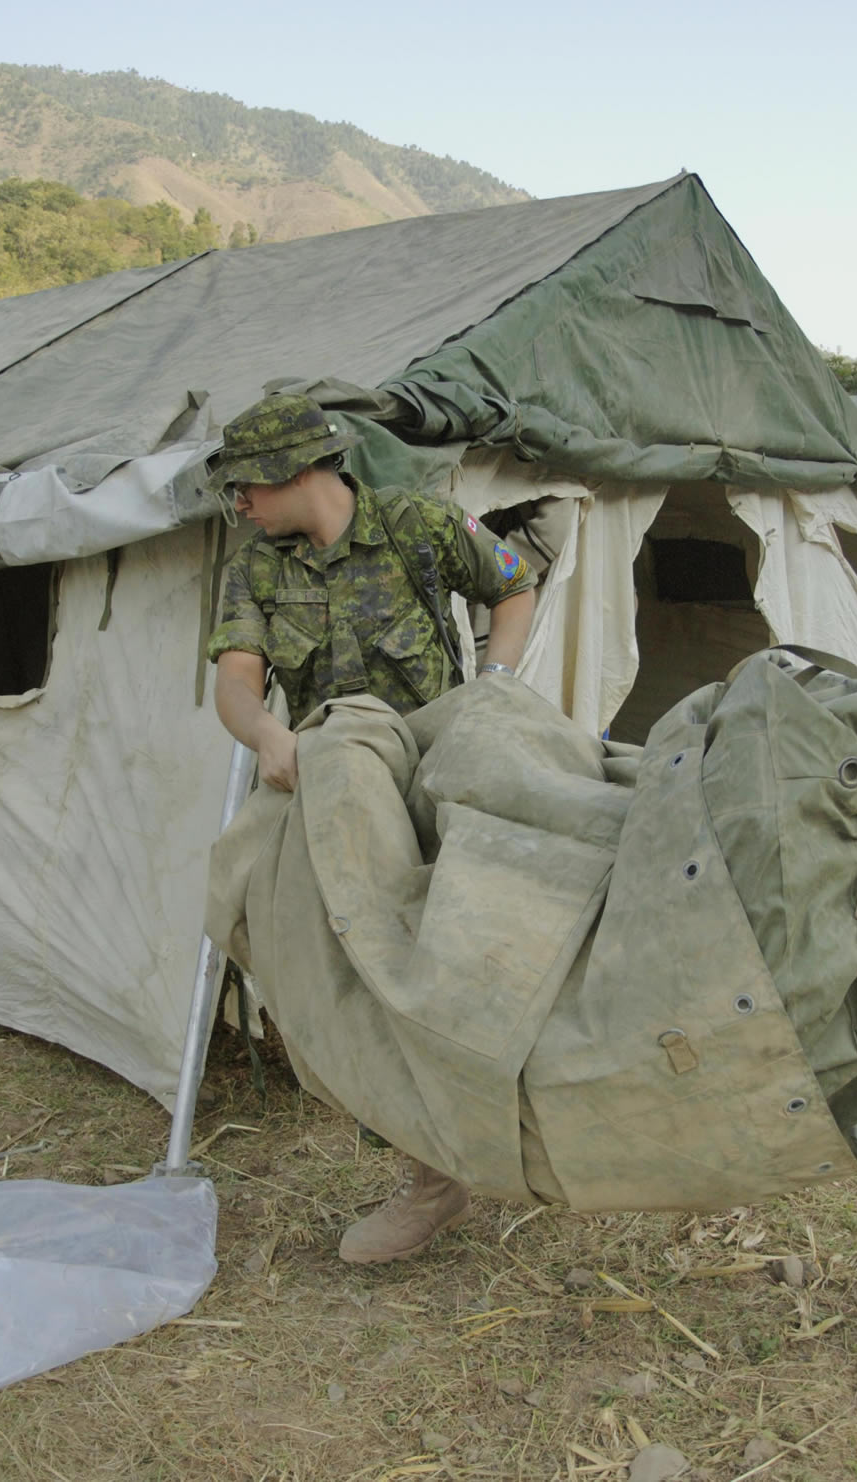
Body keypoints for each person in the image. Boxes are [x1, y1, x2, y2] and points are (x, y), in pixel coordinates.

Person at [205, 392, 538, 1264]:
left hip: (438, 788)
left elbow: (514, 581)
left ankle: (519, 1139)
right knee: (353, 977)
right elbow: (235, 681)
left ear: (295, 470)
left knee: (467, 968)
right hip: (340, 807)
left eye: (247, 486)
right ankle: (432, 1179)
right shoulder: (256, 569)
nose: (240, 503)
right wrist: (265, 731)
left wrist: (496, 684)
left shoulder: (419, 525)